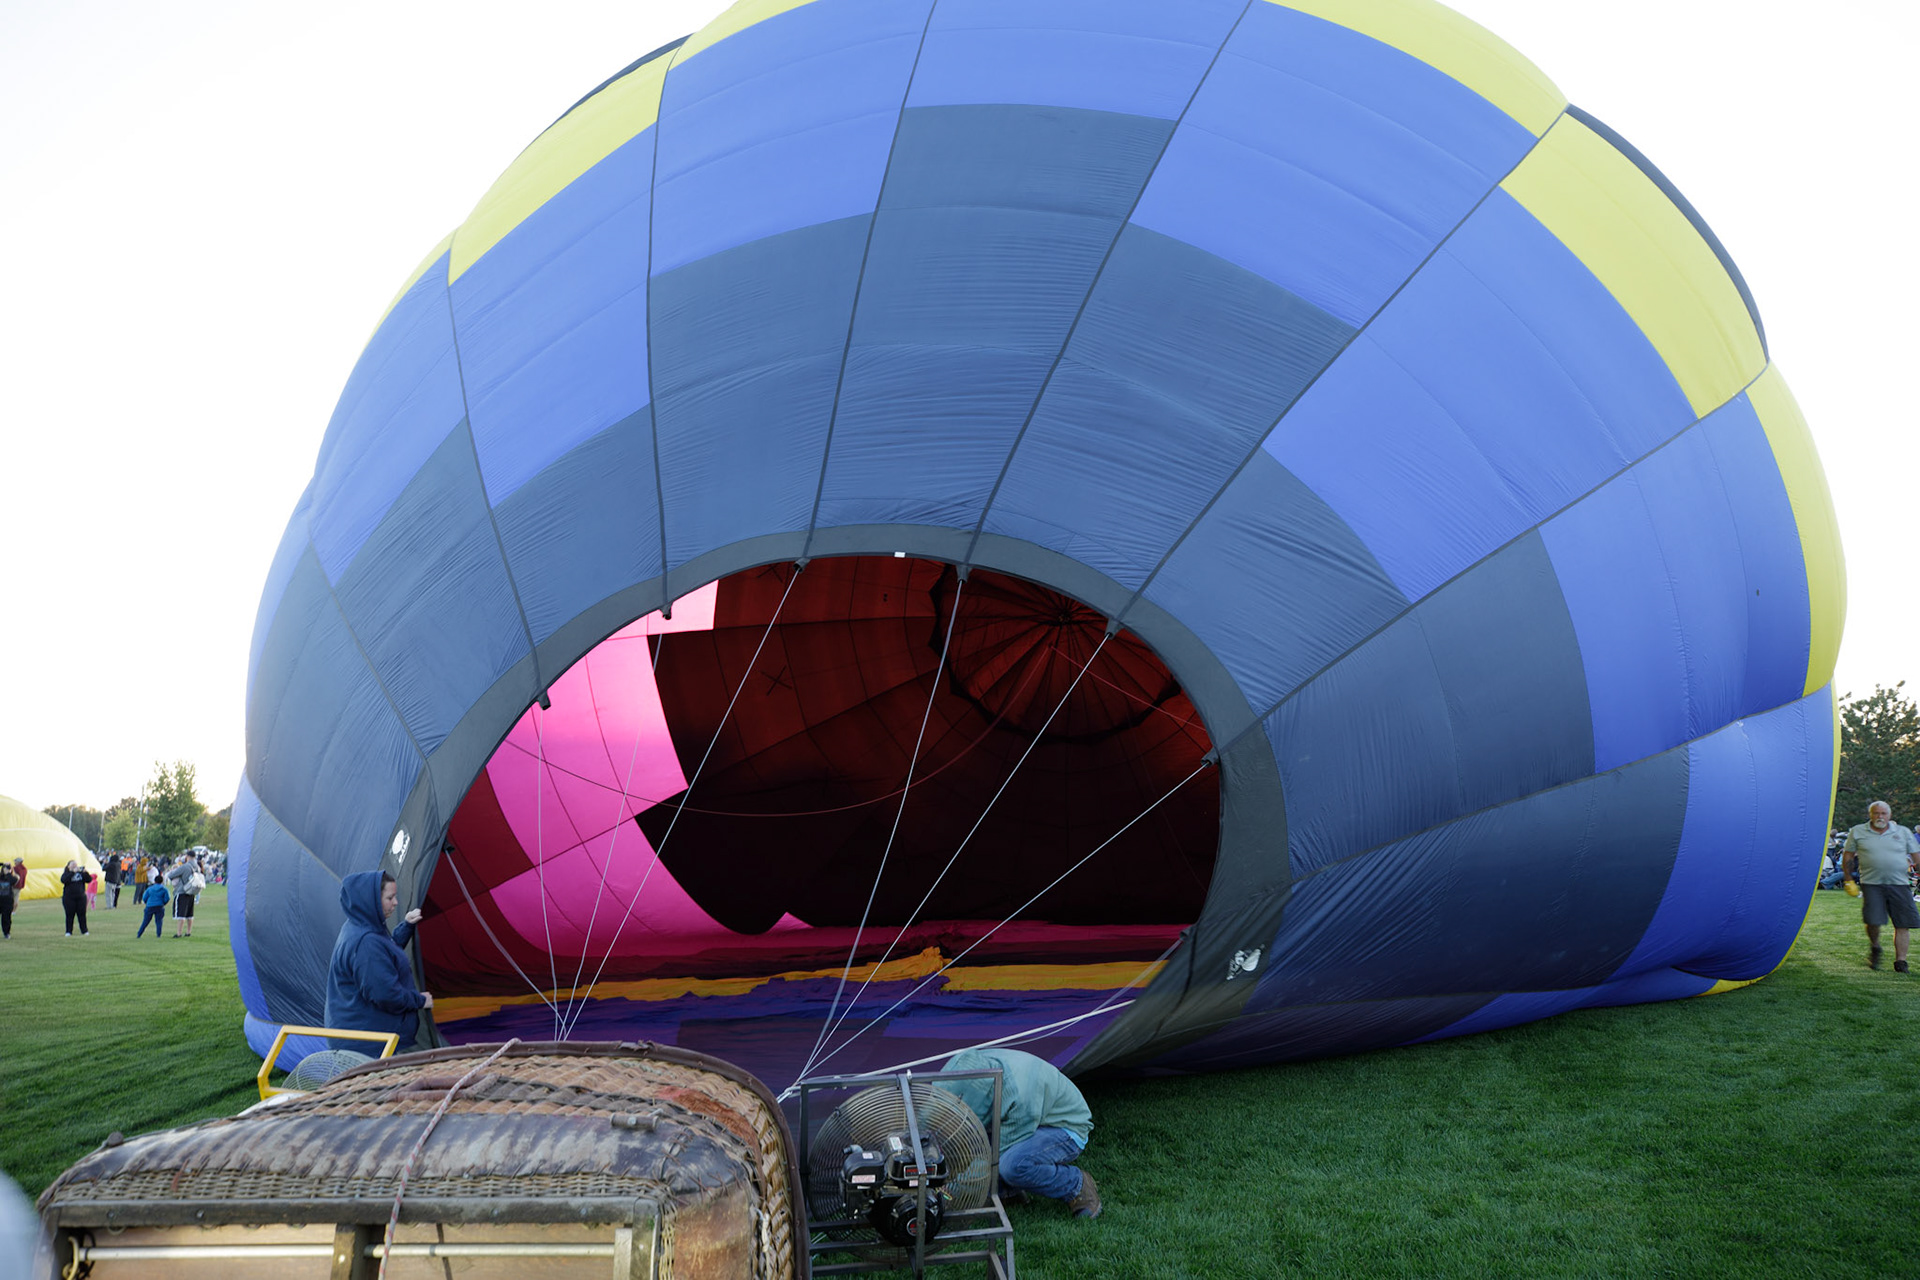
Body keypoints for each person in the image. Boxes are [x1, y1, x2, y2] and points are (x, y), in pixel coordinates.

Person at [937, 1047, 1101, 1219]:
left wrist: (952, 1189)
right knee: (984, 1147)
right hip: (1032, 1116)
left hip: (1064, 1127)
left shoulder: (1018, 1097)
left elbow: (994, 1156)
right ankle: (1007, 1192)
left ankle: (1076, 1184)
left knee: (1012, 1165)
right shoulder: (967, 1065)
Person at [324, 870, 431, 1051]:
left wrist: (406, 926)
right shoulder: (366, 943)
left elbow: (384, 953)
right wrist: (420, 1000)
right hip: (369, 1045)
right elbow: (386, 995)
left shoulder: (361, 926)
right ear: (371, 900)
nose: (396, 903)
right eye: (390, 898)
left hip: (361, 1036)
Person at [1841, 800, 1920, 972]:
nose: (1880, 817)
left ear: (1890, 815)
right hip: (1872, 883)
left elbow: (1916, 856)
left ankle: (1901, 961)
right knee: (1873, 921)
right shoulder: (1858, 831)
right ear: (1870, 815)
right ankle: (1875, 946)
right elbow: (1848, 856)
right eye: (1876, 813)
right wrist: (1848, 879)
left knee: (1903, 923)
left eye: (1883, 813)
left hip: (1899, 884)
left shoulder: (1903, 832)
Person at [167, 854, 203, 938]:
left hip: (182, 891)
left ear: (187, 856)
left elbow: (171, 875)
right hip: (192, 891)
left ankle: (179, 933)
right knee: (190, 914)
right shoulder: (197, 867)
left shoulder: (185, 867)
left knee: (181, 914)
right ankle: (188, 932)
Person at [60, 859, 91, 937]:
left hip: (81, 897)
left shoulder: (80, 873)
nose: (74, 866)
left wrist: (85, 873)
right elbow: (63, 880)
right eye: (72, 865)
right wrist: (72, 872)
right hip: (69, 898)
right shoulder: (66, 873)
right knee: (69, 915)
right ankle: (68, 931)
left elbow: (89, 880)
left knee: (82, 915)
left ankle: (84, 930)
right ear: (68, 866)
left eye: (75, 864)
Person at [0, 861, 15, 939]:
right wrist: (2, 864)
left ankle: (6, 933)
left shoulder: (11, 878)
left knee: (6, 918)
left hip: (7, 902)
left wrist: (9, 872)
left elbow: (15, 879)